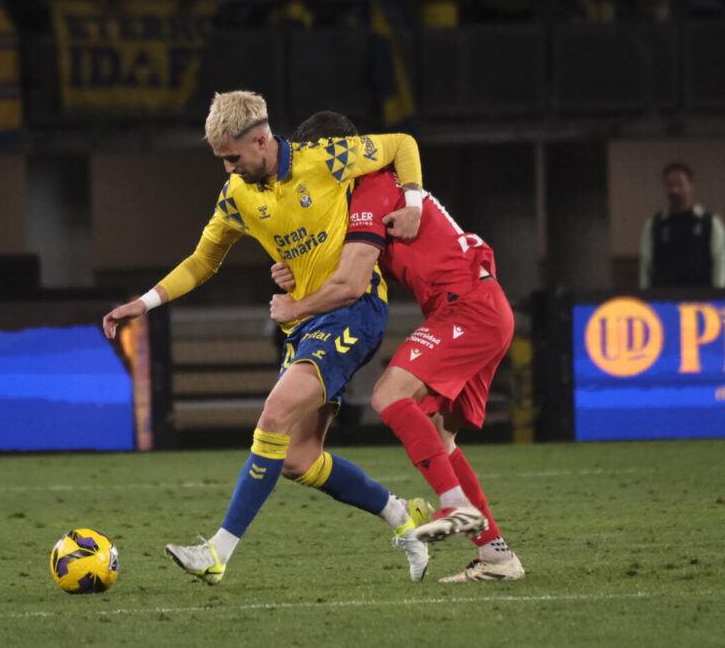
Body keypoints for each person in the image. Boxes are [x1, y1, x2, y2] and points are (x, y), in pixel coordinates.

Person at [102, 91, 432, 584]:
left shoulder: (327, 158)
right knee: (298, 459)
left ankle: (217, 553)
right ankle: (401, 516)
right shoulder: (236, 196)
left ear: (261, 140)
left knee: (273, 413)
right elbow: (202, 261)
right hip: (303, 325)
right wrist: (143, 303)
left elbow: (402, 143)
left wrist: (414, 202)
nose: (227, 169)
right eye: (221, 160)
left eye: (232, 158)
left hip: (352, 311)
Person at [269, 111, 525, 582]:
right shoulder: (374, 193)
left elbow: (350, 283)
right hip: (481, 306)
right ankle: (497, 556)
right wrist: (295, 274)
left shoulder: (370, 190)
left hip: (467, 307)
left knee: (389, 395)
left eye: (314, 157)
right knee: (442, 441)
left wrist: (295, 306)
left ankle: (454, 506)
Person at [639, 162, 725, 289]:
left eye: (680, 184)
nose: (675, 190)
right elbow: (646, 266)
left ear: (690, 185)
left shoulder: (710, 222)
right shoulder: (654, 224)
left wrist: (719, 298)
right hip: (664, 299)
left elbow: (720, 264)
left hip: (702, 298)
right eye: (670, 185)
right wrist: (645, 298)